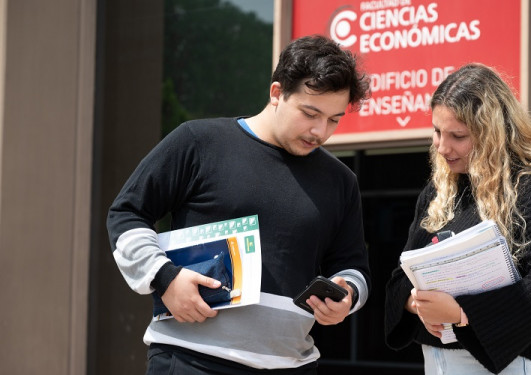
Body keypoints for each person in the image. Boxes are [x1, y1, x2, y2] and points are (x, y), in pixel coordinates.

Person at [107, 35, 371, 374]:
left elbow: (353, 267)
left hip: (293, 365)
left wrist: (346, 296)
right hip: (190, 359)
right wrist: (164, 278)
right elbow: (126, 213)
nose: (320, 130)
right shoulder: (198, 143)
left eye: (334, 119)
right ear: (277, 93)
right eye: (310, 113)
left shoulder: (341, 181)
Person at [384, 63, 531, 375]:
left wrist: (464, 313)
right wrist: (414, 303)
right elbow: (400, 277)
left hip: (511, 365)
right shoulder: (438, 192)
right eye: (437, 131)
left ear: (492, 133)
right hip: (436, 363)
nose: (442, 147)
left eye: (458, 136)